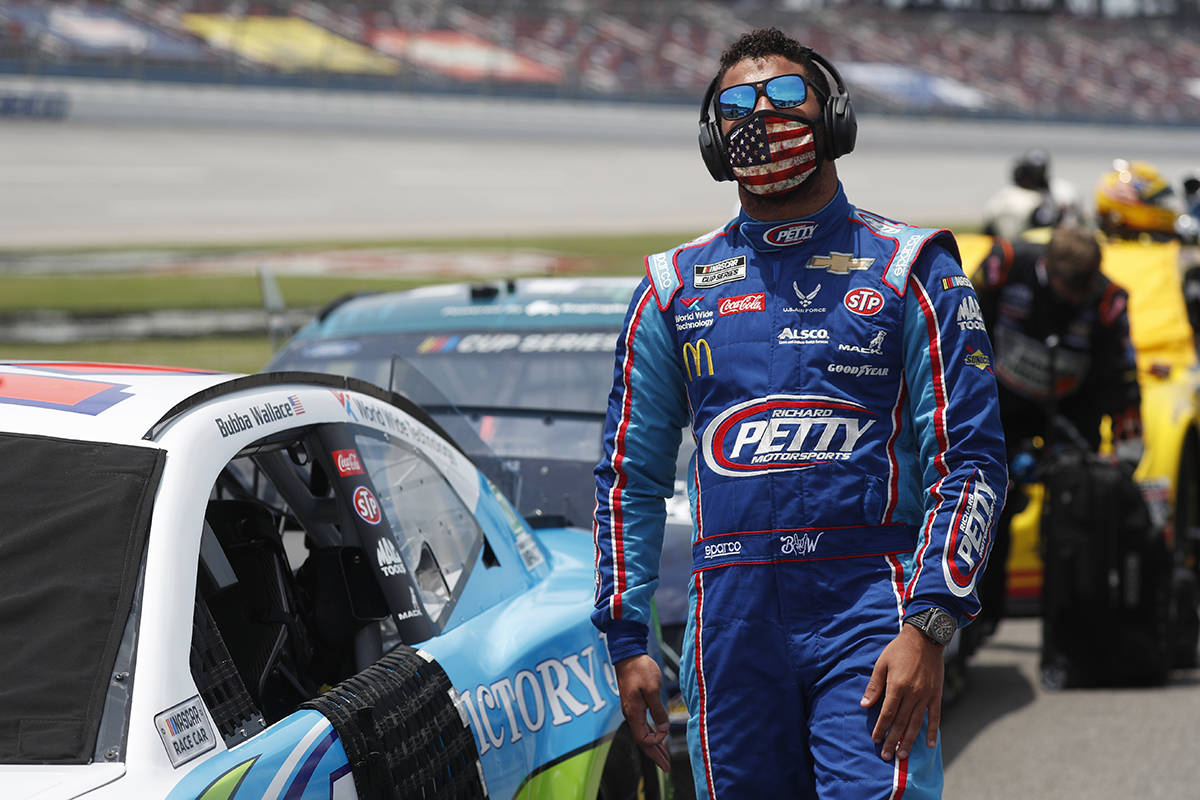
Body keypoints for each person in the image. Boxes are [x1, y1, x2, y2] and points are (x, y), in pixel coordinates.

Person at [591, 27, 1007, 799]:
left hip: (871, 606)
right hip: (731, 622)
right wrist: (626, 635)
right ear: (715, 141)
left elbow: (972, 463)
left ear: (835, 119)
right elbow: (628, 476)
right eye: (735, 105)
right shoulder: (671, 288)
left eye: (785, 96)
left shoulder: (912, 268)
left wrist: (931, 625)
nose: (760, 117)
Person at [968, 224, 1143, 651]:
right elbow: (957, 333)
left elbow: (1122, 380)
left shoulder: (1108, 302)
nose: (1078, 295)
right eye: (1072, 285)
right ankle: (978, 620)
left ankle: (1073, 628)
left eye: (1086, 285)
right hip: (999, 406)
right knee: (988, 504)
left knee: (1077, 509)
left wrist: (1127, 452)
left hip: (1069, 416)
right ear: (1047, 268)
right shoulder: (1005, 265)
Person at [981, 148, 1080, 241]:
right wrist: (1059, 213)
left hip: (1009, 248)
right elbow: (1045, 222)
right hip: (1021, 247)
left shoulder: (1002, 195)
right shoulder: (1029, 199)